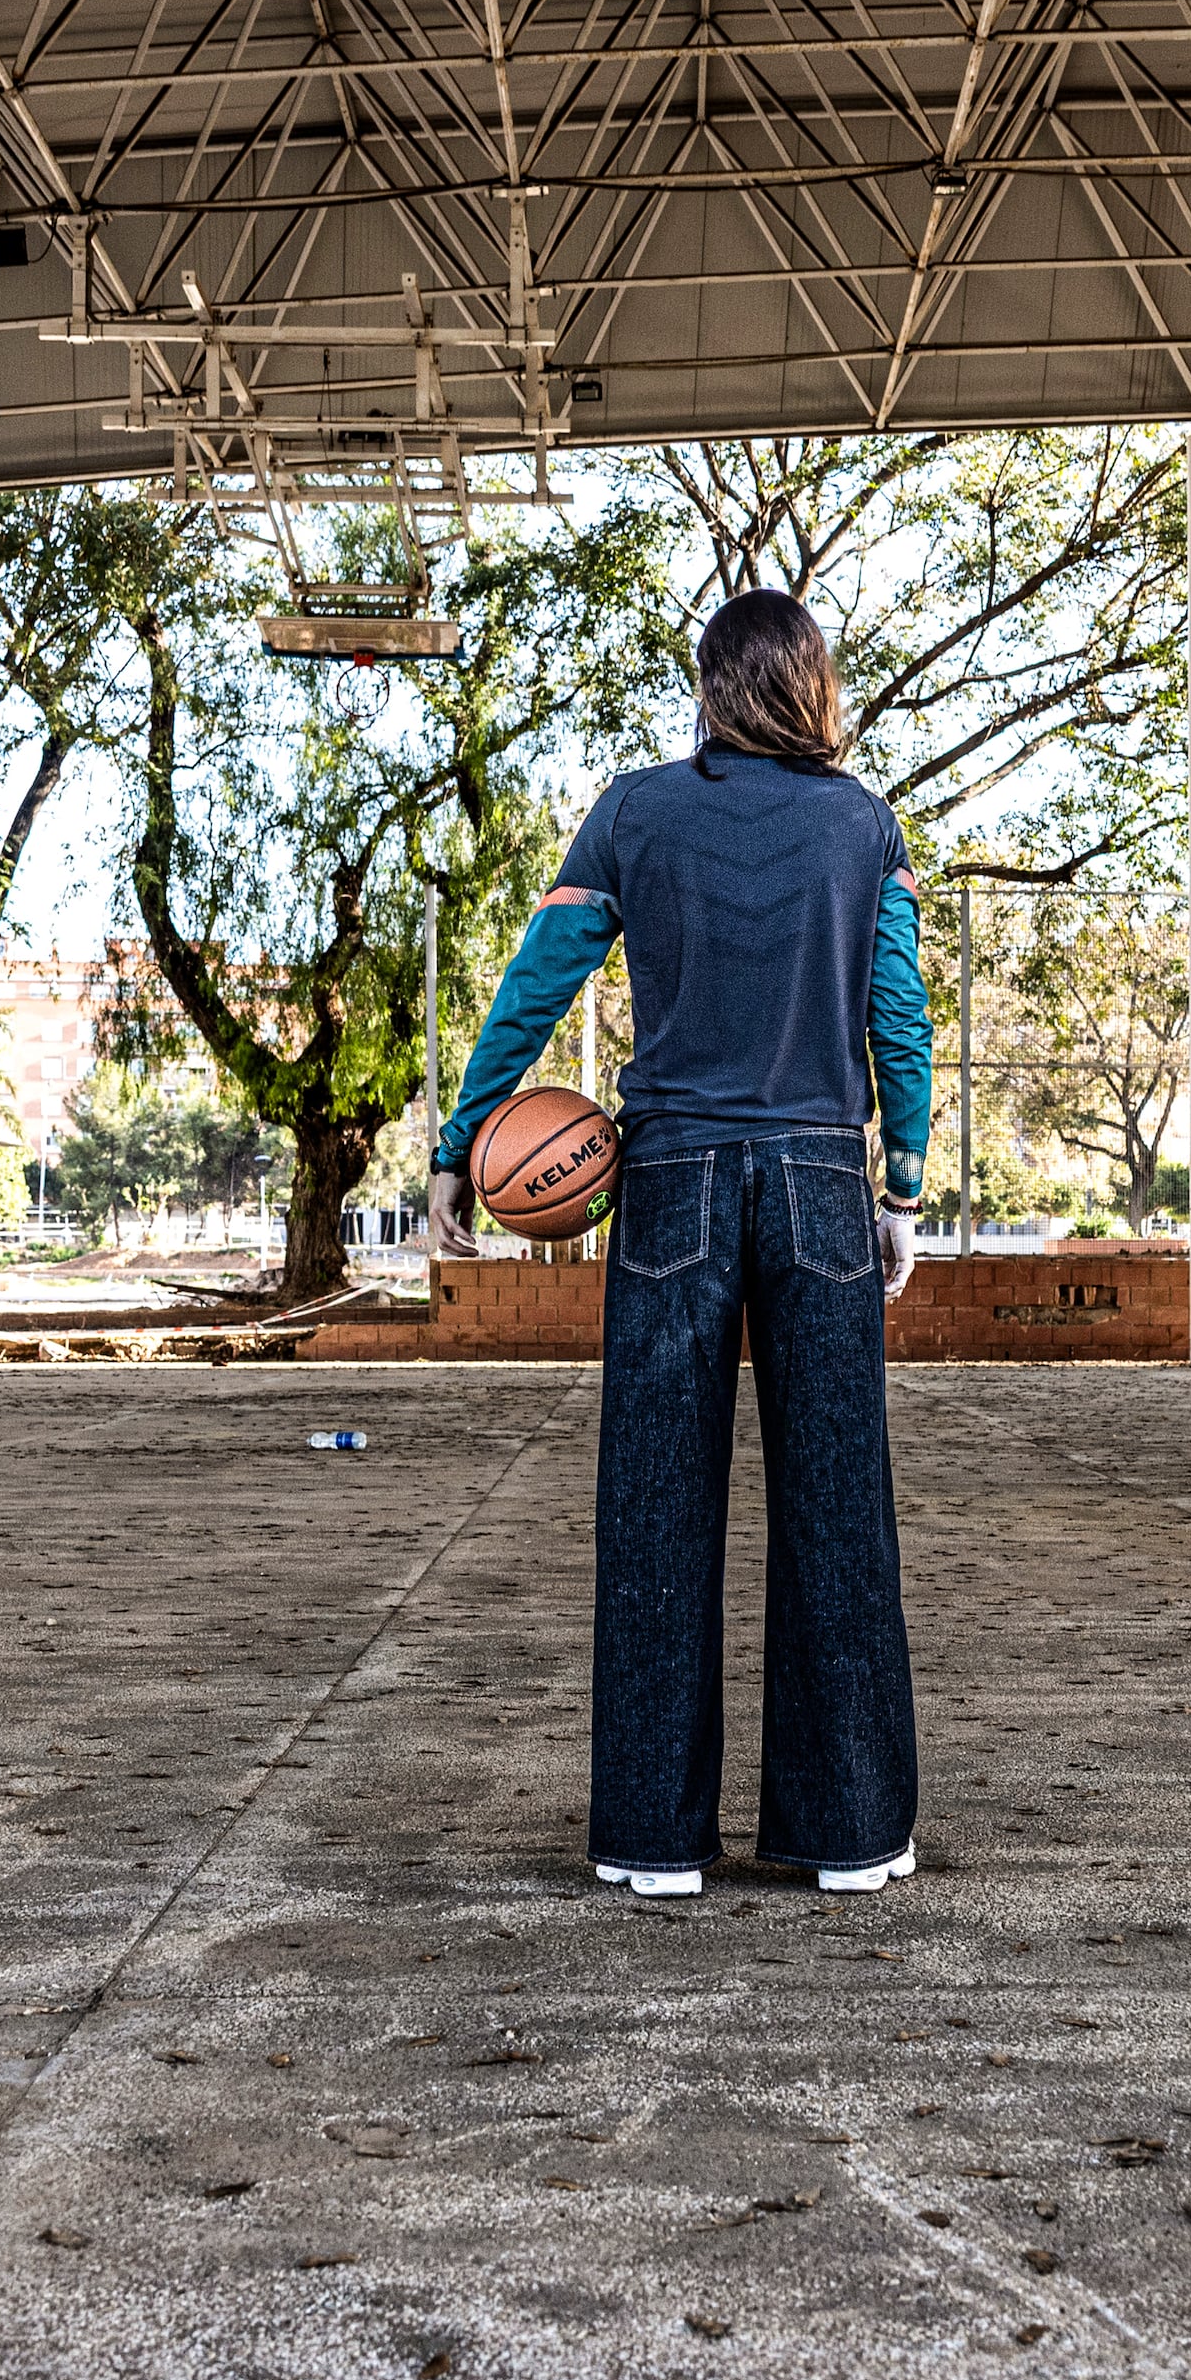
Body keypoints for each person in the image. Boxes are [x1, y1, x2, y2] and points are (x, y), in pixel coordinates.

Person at [426, 590, 930, 1901]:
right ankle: (853, 1834)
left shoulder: (632, 812)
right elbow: (900, 1020)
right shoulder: (863, 826)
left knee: (655, 1506)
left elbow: (537, 981)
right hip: (821, 1179)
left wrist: (459, 1146)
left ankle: (651, 1841)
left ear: (709, 688)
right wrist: (907, 1188)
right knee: (839, 1510)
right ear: (815, 685)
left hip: (673, 1188)